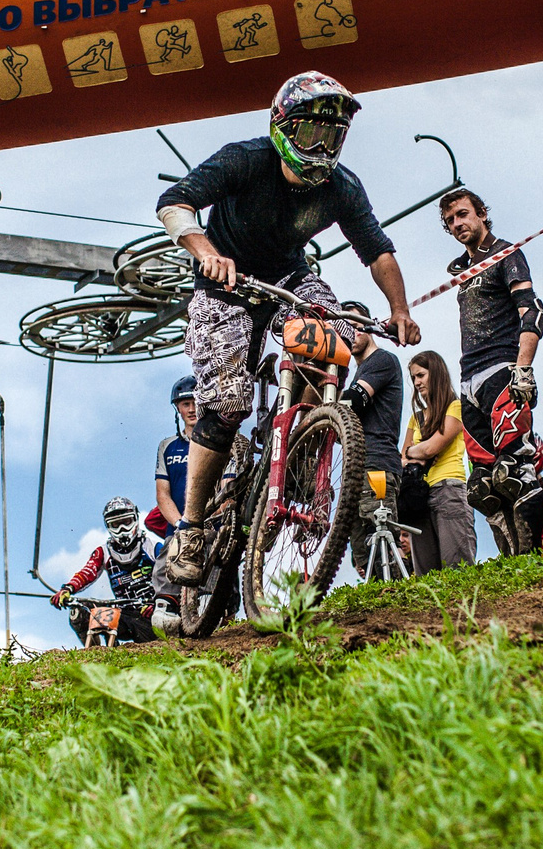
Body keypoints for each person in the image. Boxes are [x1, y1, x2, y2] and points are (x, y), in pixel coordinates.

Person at [156, 72, 423, 587]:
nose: (321, 147)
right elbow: (174, 202)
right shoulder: (245, 158)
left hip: (289, 282)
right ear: (282, 127)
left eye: (333, 136)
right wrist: (207, 255)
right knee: (227, 405)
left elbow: (377, 249)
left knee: (334, 334)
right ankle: (190, 528)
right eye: (310, 135)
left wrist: (400, 308)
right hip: (224, 289)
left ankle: (302, 439)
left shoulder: (342, 187)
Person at [438, 188, 543, 553]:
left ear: (481, 213)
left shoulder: (506, 253)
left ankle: (533, 559)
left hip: (502, 369)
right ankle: (512, 564)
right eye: (450, 220)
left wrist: (523, 370)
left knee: (516, 470)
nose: (457, 223)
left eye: (463, 214)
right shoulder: (462, 272)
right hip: (468, 378)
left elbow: (532, 310)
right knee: (482, 485)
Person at [337, 298, 412, 577]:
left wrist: (327, 411)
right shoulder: (360, 370)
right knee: (362, 553)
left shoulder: (382, 360)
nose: (351, 333)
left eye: (356, 326)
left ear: (370, 327)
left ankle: (399, 605)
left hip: (377, 464)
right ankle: (380, 606)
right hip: (357, 466)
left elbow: (354, 403)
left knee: (381, 539)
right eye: (344, 329)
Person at [402, 351, 478, 570]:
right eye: (414, 377)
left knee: (457, 567)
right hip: (419, 497)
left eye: (421, 375)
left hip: (450, 489)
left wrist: (415, 452)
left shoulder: (455, 407)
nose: (417, 382)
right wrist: (419, 452)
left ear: (436, 373)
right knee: (425, 572)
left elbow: (433, 447)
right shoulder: (415, 417)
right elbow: (404, 456)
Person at [52, 497, 163, 645]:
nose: (122, 529)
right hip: (122, 614)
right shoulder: (104, 552)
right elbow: (87, 572)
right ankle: (95, 656)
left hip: (152, 612)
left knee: (150, 638)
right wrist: (68, 588)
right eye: (115, 524)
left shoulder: (153, 546)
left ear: (135, 519)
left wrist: (161, 604)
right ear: (108, 526)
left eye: (126, 522)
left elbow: (171, 577)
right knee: (79, 612)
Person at [148, 375, 194, 538]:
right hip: (176, 532)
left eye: (196, 403)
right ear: (178, 408)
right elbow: (162, 494)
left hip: (214, 529)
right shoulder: (166, 447)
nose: (191, 410)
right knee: (161, 564)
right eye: (186, 404)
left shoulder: (221, 444)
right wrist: (179, 525)